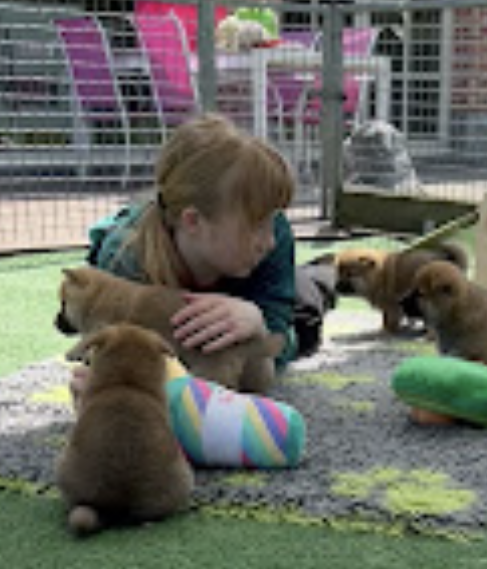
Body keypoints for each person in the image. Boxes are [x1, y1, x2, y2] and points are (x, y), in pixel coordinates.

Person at [72, 113, 330, 398]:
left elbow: (280, 339)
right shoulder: (126, 257)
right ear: (193, 222)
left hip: (276, 294)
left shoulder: (275, 234)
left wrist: (257, 322)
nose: (268, 241)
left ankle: (321, 276)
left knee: (306, 316)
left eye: (271, 220)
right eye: (256, 226)